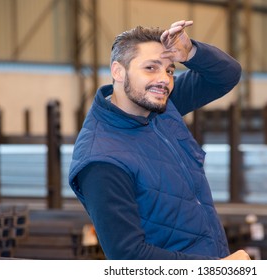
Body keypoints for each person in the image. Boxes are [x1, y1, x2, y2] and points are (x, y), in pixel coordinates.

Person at [68, 20, 250, 260]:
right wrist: (216, 267)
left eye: (169, 70)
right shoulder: (101, 159)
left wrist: (191, 52)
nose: (164, 79)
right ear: (118, 71)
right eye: (151, 68)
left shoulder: (160, 107)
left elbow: (227, 75)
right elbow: (129, 257)